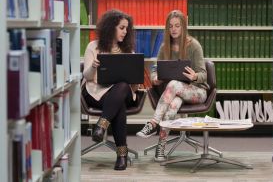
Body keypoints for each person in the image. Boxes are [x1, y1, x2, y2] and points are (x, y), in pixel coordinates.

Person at [136, 10, 209, 162]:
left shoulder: (194, 45)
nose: (174, 29)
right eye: (171, 26)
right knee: (172, 107)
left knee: (174, 84)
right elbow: (155, 70)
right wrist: (155, 78)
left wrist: (194, 76)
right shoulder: (164, 47)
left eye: (177, 25)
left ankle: (153, 123)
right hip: (175, 94)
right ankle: (161, 147)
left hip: (197, 91)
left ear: (183, 27)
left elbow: (204, 75)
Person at [82, 9, 139, 170]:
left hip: (122, 92)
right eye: (122, 27)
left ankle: (101, 125)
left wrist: (136, 79)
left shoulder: (128, 51)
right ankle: (122, 154)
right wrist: (93, 67)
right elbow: (86, 76)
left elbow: (133, 85)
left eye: (127, 28)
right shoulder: (93, 46)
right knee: (118, 105)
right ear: (111, 27)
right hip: (96, 92)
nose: (125, 31)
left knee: (121, 86)